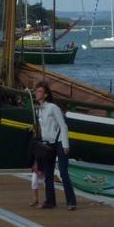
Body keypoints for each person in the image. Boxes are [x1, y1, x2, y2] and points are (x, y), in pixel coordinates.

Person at [33, 80, 77, 210]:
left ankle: (71, 201)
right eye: (36, 91)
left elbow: (63, 126)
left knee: (63, 172)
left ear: (46, 94)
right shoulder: (38, 110)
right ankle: (50, 201)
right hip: (47, 144)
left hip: (59, 142)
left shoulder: (53, 108)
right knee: (48, 173)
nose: (37, 93)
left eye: (40, 91)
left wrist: (65, 145)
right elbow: (42, 127)